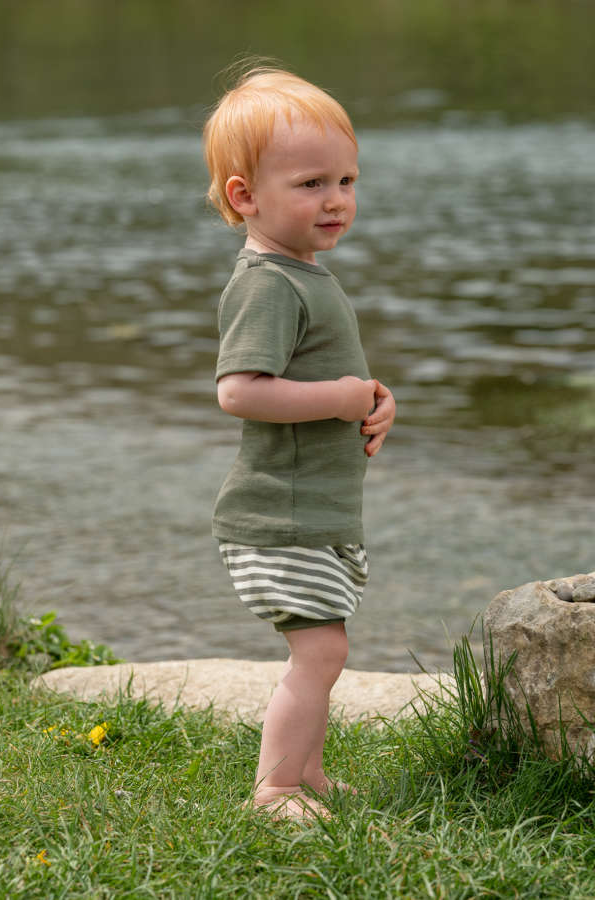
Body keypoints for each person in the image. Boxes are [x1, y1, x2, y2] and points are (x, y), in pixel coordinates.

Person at [203, 66, 396, 819]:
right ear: (244, 196)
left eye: (347, 180)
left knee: (326, 649)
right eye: (312, 183)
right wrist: (343, 397)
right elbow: (240, 391)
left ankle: (306, 773)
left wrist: (374, 401)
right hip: (278, 516)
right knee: (319, 653)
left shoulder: (305, 274)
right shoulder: (267, 284)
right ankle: (277, 786)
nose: (337, 200)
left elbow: (327, 377)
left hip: (312, 511)